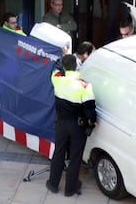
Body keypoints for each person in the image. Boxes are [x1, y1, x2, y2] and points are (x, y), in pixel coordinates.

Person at [46, 54, 96, 197]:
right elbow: (90, 110)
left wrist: (61, 57)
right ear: (77, 66)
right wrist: (92, 121)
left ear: (64, 66)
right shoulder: (85, 86)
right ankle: (70, 188)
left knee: (59, 153)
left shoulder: (57, 80)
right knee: (75, 156)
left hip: (61, 124)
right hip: (77, 126)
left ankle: (53, 184)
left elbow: (54, 68)